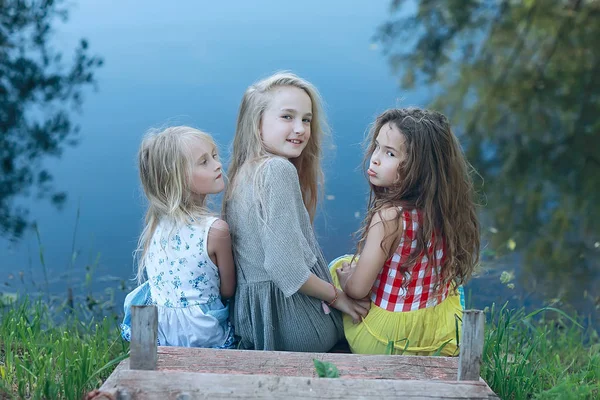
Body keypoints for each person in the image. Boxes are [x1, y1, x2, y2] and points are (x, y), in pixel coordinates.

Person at [223, 71, 369, 351]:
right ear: (257, 123)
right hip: (295, 324)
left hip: (259, 322)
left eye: (306, 119)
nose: (300, 129)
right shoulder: (277, 171)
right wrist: (338, 297)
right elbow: (286, 269)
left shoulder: (243, 173)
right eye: (287, 117)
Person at [332, 107, 479, 356]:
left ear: (418, 168)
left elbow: (358, 290)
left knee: (338, 268)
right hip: (438, 340)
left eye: (389, 153)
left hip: (388, 343)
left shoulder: (389, 217)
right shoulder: (446, 211)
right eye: (377, 147)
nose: (375, 158)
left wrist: (347, 280)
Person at [121, 126, 236, 348]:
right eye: (204, 162)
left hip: (156, 331)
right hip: (200, 332)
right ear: (177, 179)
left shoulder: (155, 224)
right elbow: (228, 290)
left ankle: (144, 365)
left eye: (214, 155)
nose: (218, 164)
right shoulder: (216, 230)